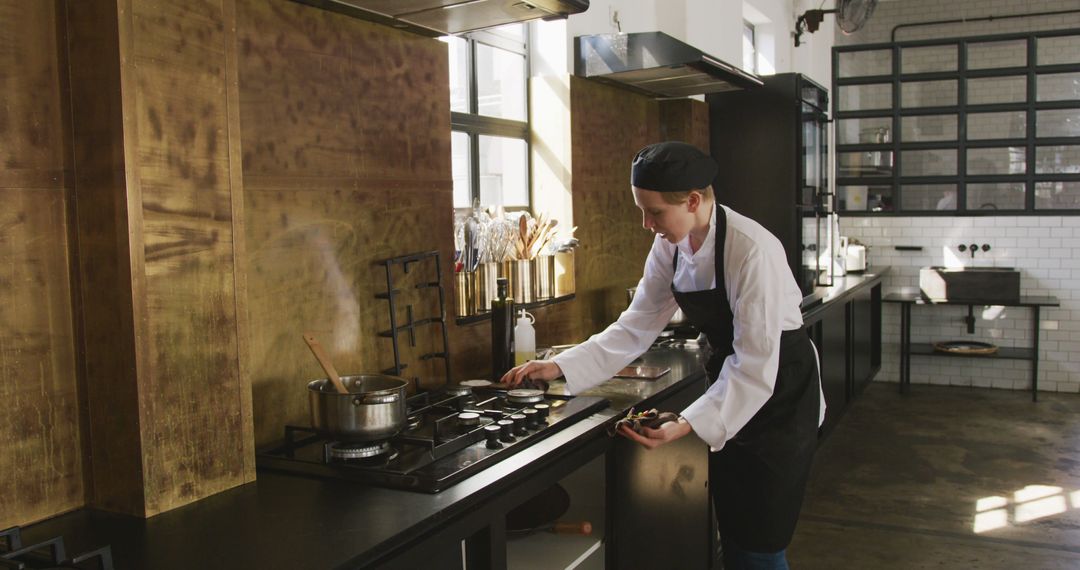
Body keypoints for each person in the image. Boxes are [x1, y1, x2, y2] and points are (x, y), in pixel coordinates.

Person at [501, 141, 824, 569]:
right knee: (738, 532)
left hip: (778, 394)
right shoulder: (671, 245)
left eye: (654, 212)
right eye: (642, 210)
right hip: (732, 386)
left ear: (693, 200)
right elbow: (636, 324)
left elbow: (756, 364)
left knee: (760, 541)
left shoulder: (751, 250)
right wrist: (561, 365)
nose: (645, 224)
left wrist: (688, 421)